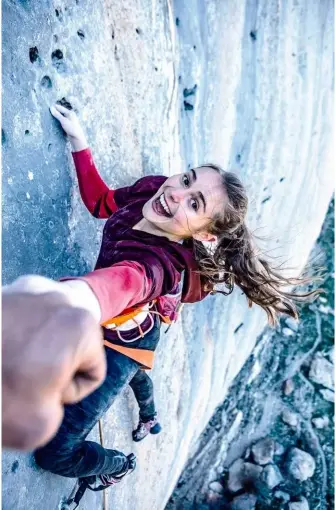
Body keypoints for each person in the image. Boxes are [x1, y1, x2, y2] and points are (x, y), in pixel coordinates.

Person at [33, 103, 318, 504]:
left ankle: (116, 465)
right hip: (130, 322)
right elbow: (102, 204)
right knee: (136, 373)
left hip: (122, 343)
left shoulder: (159, 266)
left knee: (54, 451)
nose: (176, 195)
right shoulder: (153, 190)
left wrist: (73, 295)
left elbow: (126, 283)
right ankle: (149, 416)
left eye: (196, 204)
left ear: (203, 236)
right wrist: (79, 140)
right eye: (186, 180)